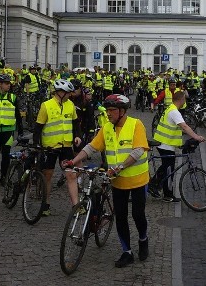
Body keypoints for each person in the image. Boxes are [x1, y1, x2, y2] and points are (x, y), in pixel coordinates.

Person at [63, 94, 150, 267]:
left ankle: (143, 239)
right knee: (121, 217)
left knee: (138, 214)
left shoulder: (136, 124)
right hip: (118, 182)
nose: (108, 113)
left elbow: (138, 150)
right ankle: (127, 252)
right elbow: (91, 147)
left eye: (112, 110)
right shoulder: (107, 127)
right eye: (107, 110)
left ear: (122, 111)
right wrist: (74, 161)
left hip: (138, 180)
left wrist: (120, 167)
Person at [35, 78, 79, 215]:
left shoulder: (70, 104)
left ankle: (76, 206)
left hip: (66, 146)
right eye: (67, 93)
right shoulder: (46, 105)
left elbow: (75, 123)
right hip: (50, 147)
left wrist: (78, 136)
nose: (69, 95)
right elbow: (38, 127)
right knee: (48, 176)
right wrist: (38, 145)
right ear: (59, 92)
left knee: (71, 175)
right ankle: (45, 204)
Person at [152, 90, 205, 201]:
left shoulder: (170, 108)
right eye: (184, 99)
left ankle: (153, 185)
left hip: (164, 143)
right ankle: (167, 195)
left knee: (166, 167)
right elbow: (184, 126)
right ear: (181, 99)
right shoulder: (174, 112)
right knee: (169, 170)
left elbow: (180, 127)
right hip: (166, 144)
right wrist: (196, 137)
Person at [0, 74, 21, 184]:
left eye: (9, 83)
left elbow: (18, 115)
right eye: (6, 83)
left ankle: (4, 175)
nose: (9, 85)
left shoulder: (12, 98)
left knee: (6, 154)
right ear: (0, 84)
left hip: (8, 130)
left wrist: (20, 129)